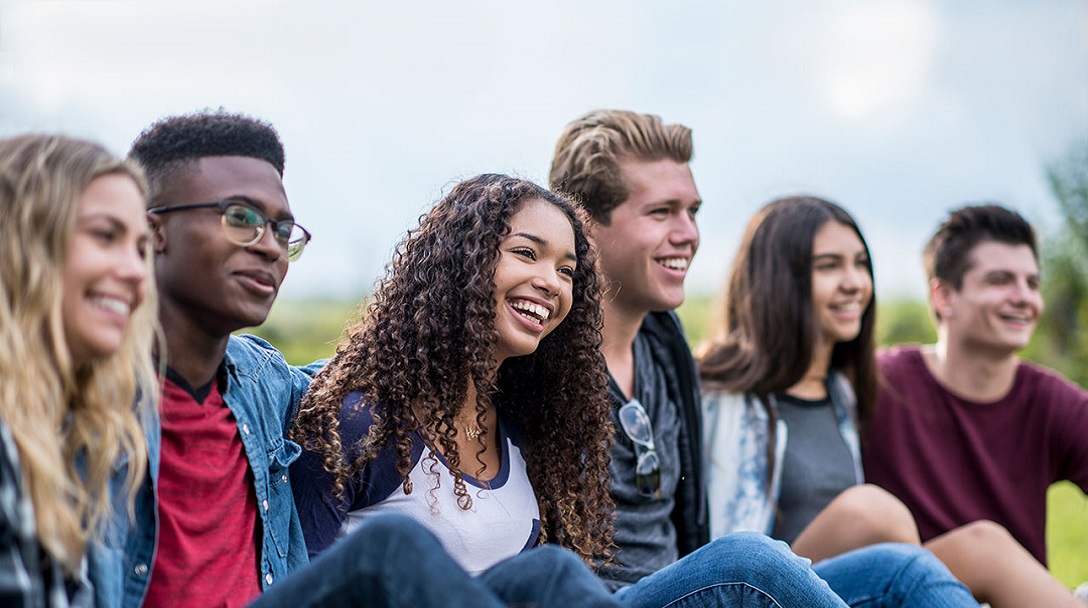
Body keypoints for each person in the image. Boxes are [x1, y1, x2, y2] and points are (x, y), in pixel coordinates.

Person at [124, 109, 615, 608]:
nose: (269, 246)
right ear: (151, 230)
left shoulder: (258, 386)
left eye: (281, 229)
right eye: (240, 219)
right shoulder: (90, 396)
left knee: (553, 572)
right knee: (391, 547)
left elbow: (353, 386)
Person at [550, 109, 977, 607]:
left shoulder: (664, 355)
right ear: (583, 222)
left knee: (904, 569)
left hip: (684, 591)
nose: (689, 234)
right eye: (662, 212)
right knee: (749, 563)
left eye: (693, 212)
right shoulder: (545, 356)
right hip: (597, 599)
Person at [699, 195, 1084, 607]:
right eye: (829, 265)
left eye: (861, 264)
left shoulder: (845, 391)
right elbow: (723, 545)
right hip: (768, 588)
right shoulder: (877, 385)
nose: (854, 282)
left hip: (866, 585)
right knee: (895, 520)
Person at [290, 175, 618, 606]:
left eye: (566, 271)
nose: (551, 283)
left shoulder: (527, 430)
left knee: (734, 563)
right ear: (462, 261)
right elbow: (304, 586)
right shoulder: (358, 422)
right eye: (526, 253)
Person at [863, 204, 1088, 603]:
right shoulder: (879, 383)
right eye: (1001, 280)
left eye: (1032, 283)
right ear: (944, 296)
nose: (1024, 298)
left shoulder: (1056, 404)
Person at [0, 134, 158, 607]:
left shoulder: (58, 431)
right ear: (23, 242)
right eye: (105, 236)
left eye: (141, 249)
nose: (136, 271)